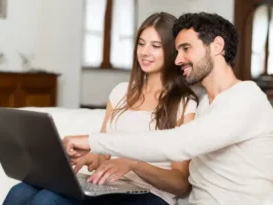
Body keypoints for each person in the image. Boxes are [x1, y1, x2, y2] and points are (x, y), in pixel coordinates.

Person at [63, 12, 273, 205]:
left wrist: (93, 142)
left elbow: (178, 142)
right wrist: (97, 156)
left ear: (217, 46)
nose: (178, 59)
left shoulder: (245, 100)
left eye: (186, 49)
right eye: (177, 50)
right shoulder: (207, 105)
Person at [3, 12, 199, 205]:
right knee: (21, 191)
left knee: (48, 200)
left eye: (155, 46)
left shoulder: (184, 103)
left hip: (151, 195)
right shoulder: (120, 93)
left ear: (172, 50)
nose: (144, 52)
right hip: (111, 185)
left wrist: (133, 164)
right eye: (141, 43)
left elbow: (181, 183)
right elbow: (104, 154)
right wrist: (85, 157)